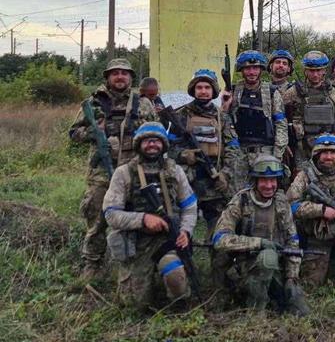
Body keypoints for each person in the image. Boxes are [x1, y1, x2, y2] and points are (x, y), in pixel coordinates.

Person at [70, 58, 156, 279]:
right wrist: (95, 133)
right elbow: (74, 134)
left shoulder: (143, 103)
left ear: (130, 78)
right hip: (101, 173)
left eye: (124, 73)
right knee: (96, 218)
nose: (120, 77)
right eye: (115, 73)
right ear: (107, 77)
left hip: (134, 170)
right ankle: (92, 264)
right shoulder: (93, 103)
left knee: (136, 217)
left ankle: (133, 264)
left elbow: (156, 132)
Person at [102, 122, 198, 311]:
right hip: (136, 242)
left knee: (176, 275)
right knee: (135, 305)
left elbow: (190, 207)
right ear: (139, 144)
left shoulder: (175, 171)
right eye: (147, 141)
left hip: (167, 240)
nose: (152, 145)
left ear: (163, 144)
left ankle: (177, 303)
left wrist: (185, 231)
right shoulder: (124, 173)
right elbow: (111, 214)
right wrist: (143, 219)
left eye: (156, 141)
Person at [211, 154, 309, 315]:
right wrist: (258, 243)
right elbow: (220, 239)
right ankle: (255, 311)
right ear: (255, 181)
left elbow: (292, 241)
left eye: (273, 180)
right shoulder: (241, 201)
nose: (269, 185)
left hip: (274, 268)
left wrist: (292, 277)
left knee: (300, 309)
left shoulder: (281, 202)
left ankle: (273, 297)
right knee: (267, 257)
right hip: (242, 269)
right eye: (264, 180)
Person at [286, 134, 335, 301]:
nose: (328, 157)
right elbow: (291, 205)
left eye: (332, 153)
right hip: (316, 236)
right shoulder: (305, 176)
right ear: (317, 154)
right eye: (324, 153)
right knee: (311, 285)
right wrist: (321, 210)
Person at [169, 69, 242, 238]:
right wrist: (183, 155)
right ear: (193, 90)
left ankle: (216, 259)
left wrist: (225, 175)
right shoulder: (180, 116)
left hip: (214, 181)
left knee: (217, 227)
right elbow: (168, 147)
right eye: (199, 87)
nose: (203, 91)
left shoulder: (222, 117)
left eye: (207, 87)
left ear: (213, 90)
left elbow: (233, 149)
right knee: (180, 228)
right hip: (187, 181)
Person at [283, 51, 335, 169]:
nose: (315, 74)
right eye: (311, 71)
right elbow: (281, 121)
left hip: (328, 149)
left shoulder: (332, 93)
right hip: (301, 148)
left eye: (318, 70)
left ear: (324, 71)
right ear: (305, 71)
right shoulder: (293, 92)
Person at [230, 50, 288, 167]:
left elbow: (281, 124)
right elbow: (225, 121)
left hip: (266, 151)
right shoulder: (233, 91)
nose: (251, 72)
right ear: (241, 70)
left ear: (261, 69)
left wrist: (277, 155)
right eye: (247, 69)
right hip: (239, 151)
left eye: (255, 68)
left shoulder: (271, 92)